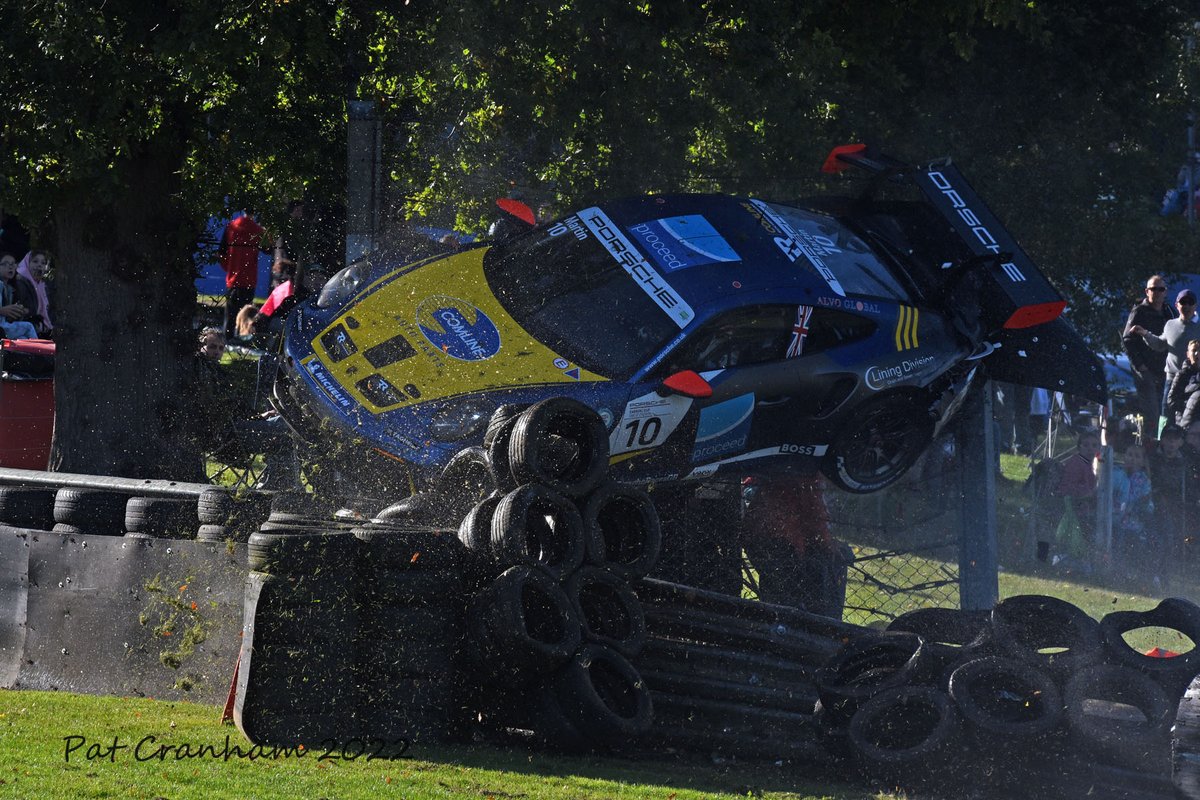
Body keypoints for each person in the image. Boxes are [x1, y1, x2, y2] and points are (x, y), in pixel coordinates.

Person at [740, 472, 852, 618]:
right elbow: (816, 517)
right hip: (779, 541)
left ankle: (781, 619)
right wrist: (829, 545)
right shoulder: (808, 476)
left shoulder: (795, 472)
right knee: (787, 590)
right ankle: (812, 621)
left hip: (761, 538)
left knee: (779, 588)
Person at [1129, 289, 1200, 427]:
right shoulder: (1170, 324)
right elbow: (1160, 345)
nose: (1186, 305)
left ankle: (1190, 445)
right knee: (1165, 415)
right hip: (1172, 377)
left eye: (1190, 302)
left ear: (1195, 305)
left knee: (1191, 416)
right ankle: (1162, 443)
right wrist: (1145, 333)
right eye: (1183, 302)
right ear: (1177, 304)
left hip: (1195, 379)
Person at [1122, 275, 1175, 438]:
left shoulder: (1168, 311)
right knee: (1152, 412)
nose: (1157, 292)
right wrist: (1140, 366)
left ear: (1165, 292)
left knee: (1166, 411)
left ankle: (1163, 445)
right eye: (1154, 289)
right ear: (1147, 291)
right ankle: (1150, 445)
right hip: (1146, 371)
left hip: (1164, 370)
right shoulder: (1139, 311)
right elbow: (1127, 340)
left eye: (1161, 289)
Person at [1051, 428, 1100, 568]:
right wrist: (1086, 493)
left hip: (1083, 504)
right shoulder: (1076, 463)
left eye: (1094, 445)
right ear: (1079, 447)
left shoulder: (1090, 464)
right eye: (1086, 445)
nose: (1090, 449)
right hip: (1071, 504)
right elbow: (1068, 486)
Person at [217, 211, 265, 340]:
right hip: (249, 279)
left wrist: (229, 268)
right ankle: (243, 338)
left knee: (230, 315)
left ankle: (226, 339)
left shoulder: (231, 227)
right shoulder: (257, 230)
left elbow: (221, 252)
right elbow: (268, 249)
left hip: (234, 278)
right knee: (246, 314)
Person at [1111, 443, 1154, 579]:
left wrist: (1145, 504)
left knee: (1136, 539)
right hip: (1113, 517)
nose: (1132, 459)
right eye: (1130, 455)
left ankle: (1133, 571)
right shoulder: (1116, 474)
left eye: (1137, 456)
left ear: (1142, 462)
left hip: (1133, 520)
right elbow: (1106, 494)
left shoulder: (1144, 480)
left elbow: (1149, 505)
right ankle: (1114, 568)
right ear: (1124, 457)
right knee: (1118, 535)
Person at [0, 253, 38, 340]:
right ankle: (41, 351)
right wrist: (2, 310)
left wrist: (18, 312)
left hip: (4, 327)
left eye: (13, 264)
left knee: (23, 338)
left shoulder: (10, 289)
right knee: (28, 327)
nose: (10, 267)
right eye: (5, 264)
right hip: (1, 328)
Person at [16, 250, 52, 337]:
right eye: (35, 261)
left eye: (43, 263)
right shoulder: (21, 282)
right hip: (26, 329)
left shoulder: (43, 285)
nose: (39, 265)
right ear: (27, 263)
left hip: (43, 329)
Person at [1168, 339, 1200, 428]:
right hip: (1185, 423)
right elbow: (1171, 401)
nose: (1197, 353)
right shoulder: (1183, 375)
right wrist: (1190, 402)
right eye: (1194, 350)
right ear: (1188, 354)